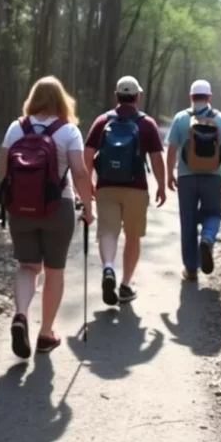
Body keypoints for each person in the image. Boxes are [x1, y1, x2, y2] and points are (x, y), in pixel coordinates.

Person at [0, 76, 94, 358]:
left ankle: (20, 315)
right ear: (62, 100)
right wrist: (88, 206)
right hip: (58, 207)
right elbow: (79, 173)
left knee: (27, 267)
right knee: (54, 272)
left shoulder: (15, 128)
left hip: (20, 209)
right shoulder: (68, 131)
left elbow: (3, 171)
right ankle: (45, 334)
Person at [84, 75, 166, 306]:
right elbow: (157, 158)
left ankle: (108, 268)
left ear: (116, 96)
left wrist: (89, 180)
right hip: (136, 189)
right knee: (132, 236)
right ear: (137, 96)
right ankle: (126, 284)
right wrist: (161, 184)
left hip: (106, 186)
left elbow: (87, 153)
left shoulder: (102, 121)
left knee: (108, 232)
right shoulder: (146, 124)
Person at [165, 79, 221, 281]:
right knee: (213, 214)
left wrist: (169, 174)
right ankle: (207, 238)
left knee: (187, 221)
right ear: (210, 97)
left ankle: (191, 269)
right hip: (212, 178)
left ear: (191, 97)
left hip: (186, 178)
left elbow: (171, 150)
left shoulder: (180, 119)